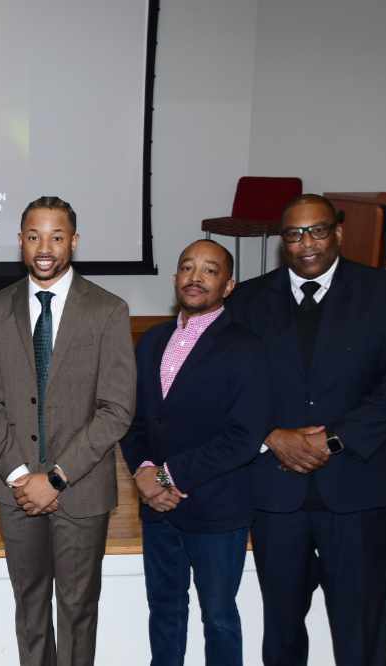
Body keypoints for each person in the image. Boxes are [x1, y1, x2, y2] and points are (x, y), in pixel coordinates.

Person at [226, 194, 386, 666]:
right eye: (293, 234)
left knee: (361, 629)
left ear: (338, 233)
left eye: (317, 231)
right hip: (277, 493)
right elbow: (226, 387)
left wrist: (335, 438)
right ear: (282, 241)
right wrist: (270, 435)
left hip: (358, 489)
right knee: (281, 630)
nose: (306, 244)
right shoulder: (246, 301)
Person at [0, 196, 136, 666]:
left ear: (75, 241)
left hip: (81, 489)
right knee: (29, 609)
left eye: (56, 236)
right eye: (33, 236)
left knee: (77, 609)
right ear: (21, 242)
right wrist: (19, 475)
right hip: (16, 491)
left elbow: (116, 409)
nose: (44, 247)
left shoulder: (108, 309)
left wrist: (55, 477)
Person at [120, 239, 268, 665]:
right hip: (157, 508)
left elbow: (243, 436)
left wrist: (168, 476)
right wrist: (145, 473)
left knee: (219, 617)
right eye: (187, 267)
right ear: (175, 278)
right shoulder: (151, 341)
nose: (195, 277)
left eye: (209, 270)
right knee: (164, 611)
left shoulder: (247, 347)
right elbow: (136, 421)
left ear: (229, 285)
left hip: (217, 508)